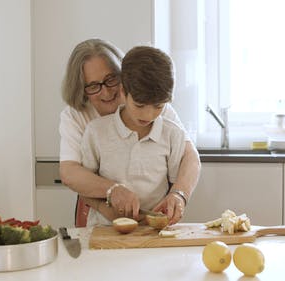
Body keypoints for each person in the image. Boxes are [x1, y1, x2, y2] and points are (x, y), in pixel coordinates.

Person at [59, 38, 200, 226]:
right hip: (103, 215)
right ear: (82, 89)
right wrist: (111, 195)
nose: (107, 92)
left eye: (111, 80)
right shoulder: (81, 120)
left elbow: (189, 156)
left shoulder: (151, 101)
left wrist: (179, 194)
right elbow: (70, 173)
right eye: (94, 86)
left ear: (123, 78)